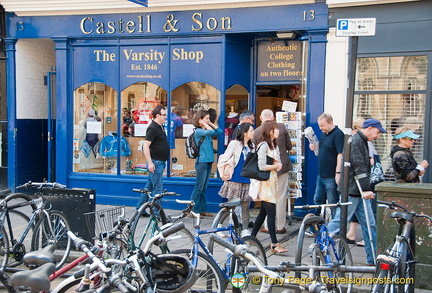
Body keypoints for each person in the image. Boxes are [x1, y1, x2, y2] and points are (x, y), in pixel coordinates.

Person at [327, 118, 387, 266]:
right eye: (377, 132)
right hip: (354, 190)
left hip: (357, 190)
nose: (378, 136)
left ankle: (372, 258)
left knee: (369, 223)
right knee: (340, 221)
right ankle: (320, 243)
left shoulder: (362, 141)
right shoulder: (357, 141)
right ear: (370, 128)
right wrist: (366, 189)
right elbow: (359, 167)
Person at [251, 121, 288, 254]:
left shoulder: (274, 145)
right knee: (271, 212)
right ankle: (274, 244)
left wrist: (277, 164)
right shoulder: (263, 146)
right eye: (276, 129)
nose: (278, 131)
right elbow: (261, 166)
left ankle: (252, 237)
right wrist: (276, 166)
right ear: (270, 131)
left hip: (271, 182)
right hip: (265, 183)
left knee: (263, 212)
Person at [254, 109, 292, 234]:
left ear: (261, 118)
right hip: (281, 167)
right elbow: (289, 146)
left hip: (267, 170)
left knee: (268, 197)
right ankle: (280, 226)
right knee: (281, 196)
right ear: (273, 117)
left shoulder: (256, 131)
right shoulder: (281, 127)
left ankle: (267, 225)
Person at [217, 123, 255, 235]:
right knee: (231, 206)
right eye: (251, 130)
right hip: (234, 178)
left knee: (245, 206)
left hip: (247, 179)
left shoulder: (252, 146)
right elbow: (223, 158)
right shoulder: (234, 144)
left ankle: (245, 230)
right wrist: (223, 173)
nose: (253, 132)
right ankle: (219, 225)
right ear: (245, 133)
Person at [309, 112, 344, 218]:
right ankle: (317, 226)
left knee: (333, 203)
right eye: (319, 125)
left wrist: (338, 173)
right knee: (317, 200)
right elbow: (324, 151)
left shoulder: (338, 134)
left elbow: (340, 154)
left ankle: (335, 231)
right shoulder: (324, 134)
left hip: (331, 175)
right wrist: (315, 148)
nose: (320, 128)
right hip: (321, 174)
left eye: (322, 125)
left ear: (330, 123)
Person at [136, 105, 169, 215]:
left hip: (159, 162)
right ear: (157, 115)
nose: (166, 117)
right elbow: (146, 146)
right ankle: (157, 213)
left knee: (149, 187)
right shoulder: (153, 128)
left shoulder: (160, 127)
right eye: (164, 115)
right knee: (158, 190)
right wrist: (150, 163)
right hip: (155, 162)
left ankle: (139, 209)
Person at [190, 110, 223, 217]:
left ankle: (202, 209)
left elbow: (219, 131)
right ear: (200, 120)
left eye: (209, 118)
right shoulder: (198, 132)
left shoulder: (206, 132)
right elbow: (211, 131)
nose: (208, 120)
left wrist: (209, 123)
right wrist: (204, 123)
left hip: (208, 161)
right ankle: (191, 210)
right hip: (202, 162)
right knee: (199, 187)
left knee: (203, 188)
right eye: (206, 118)